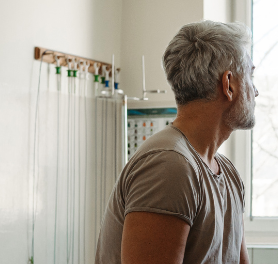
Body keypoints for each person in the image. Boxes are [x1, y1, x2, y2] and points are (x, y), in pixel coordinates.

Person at [95, 20, 257, 264]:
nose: (256, 91)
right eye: (251, 77)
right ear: (229, 84)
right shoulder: (169, 166)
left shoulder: (229, 174)